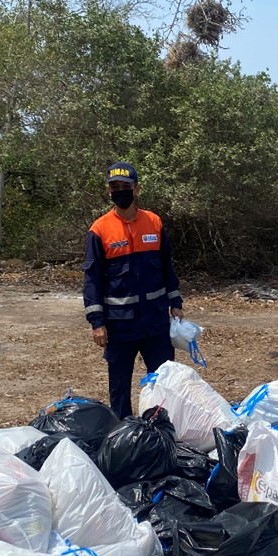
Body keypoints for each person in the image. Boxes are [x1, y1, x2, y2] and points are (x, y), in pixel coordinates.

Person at [83, 162, 185, 418]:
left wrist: (176, 302)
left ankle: (163, 432)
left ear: (136, 189)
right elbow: (92, 279)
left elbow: (166, 266)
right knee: (119, 387)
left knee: (165, 382)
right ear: (109, 192)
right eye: (114, 187)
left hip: (156, 322)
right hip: (120, 327)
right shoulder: (99, 230)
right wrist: (97, 322)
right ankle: (123, 436)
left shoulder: (154, 222)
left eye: (125, 187)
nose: (120, 191)